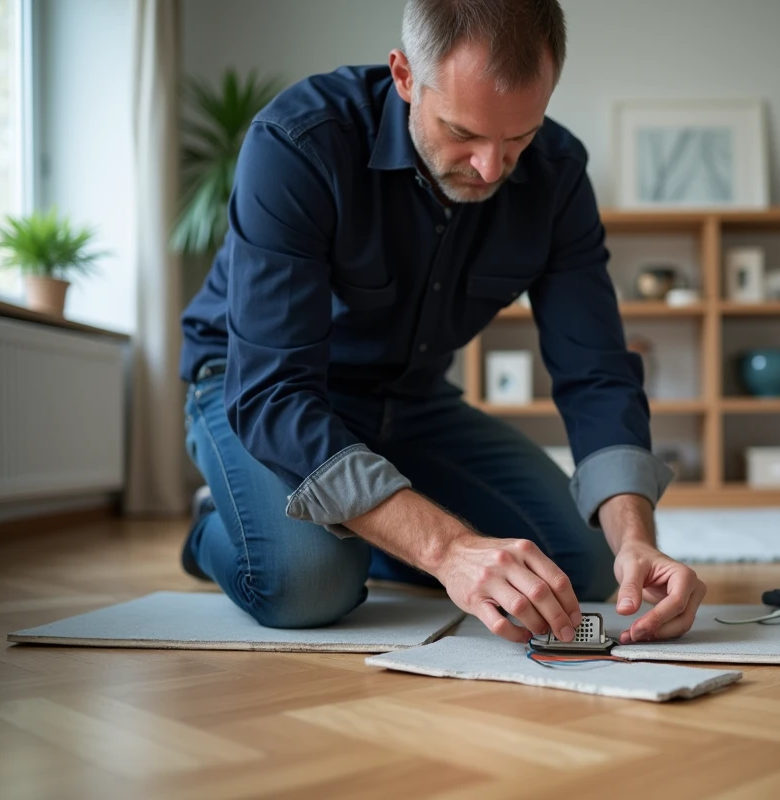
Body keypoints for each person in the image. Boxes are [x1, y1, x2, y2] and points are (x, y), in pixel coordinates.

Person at [178, 0, 706, 646]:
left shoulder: (559, 174)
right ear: (405, 76)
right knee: (309, 584)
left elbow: (595, 369)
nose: (492, 167)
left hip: (412, 400)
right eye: (463, 132)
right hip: (259, 389)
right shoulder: (299, 143)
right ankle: (221, 528)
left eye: (519, 138)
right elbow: (273, 391)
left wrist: (636, 540)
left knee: (585, 567)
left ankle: (365, 528)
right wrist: (447, 547)